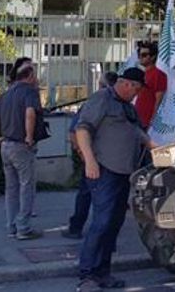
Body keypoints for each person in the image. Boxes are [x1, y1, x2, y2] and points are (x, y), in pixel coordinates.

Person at [74, 68, 154, 291]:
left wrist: (154, 147)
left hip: (122, 173)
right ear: (126, 84)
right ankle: (87, 275)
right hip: (103, 171)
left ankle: (103, 272)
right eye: (136, 89)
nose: (137, 94)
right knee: (101, 223)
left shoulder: (126, 106)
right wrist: (89, 161)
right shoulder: (102, 99)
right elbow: (82, 129)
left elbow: (136, 131)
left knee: (113, 224)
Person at [0, 64, 46, 240]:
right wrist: (29, 136)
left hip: (5, 145)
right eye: (35, 75)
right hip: (21, 145)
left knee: (11, 188)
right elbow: (30, 113)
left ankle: (11, 226)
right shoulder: (29, 92)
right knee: (27, 186)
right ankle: (23, 228)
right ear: (29, 76)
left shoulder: (7, 93)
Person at [63, 71, 118, 240]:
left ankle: (78, 228)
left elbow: (74, 130)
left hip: (95, 157)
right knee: (106, 196)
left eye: (101, 85)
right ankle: (103, 230)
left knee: (87, 194)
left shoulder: (93, 103)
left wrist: (81, 153)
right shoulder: (119, 105)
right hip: (108, 158)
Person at [134, 41, 167, 129]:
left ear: (153, 57)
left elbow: (159, 100)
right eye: (139, 54)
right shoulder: (143, 74)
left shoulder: (158, 74)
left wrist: (152, 121)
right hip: (138, 120)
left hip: (147, 123)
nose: (140, 57)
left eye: (144, 55)